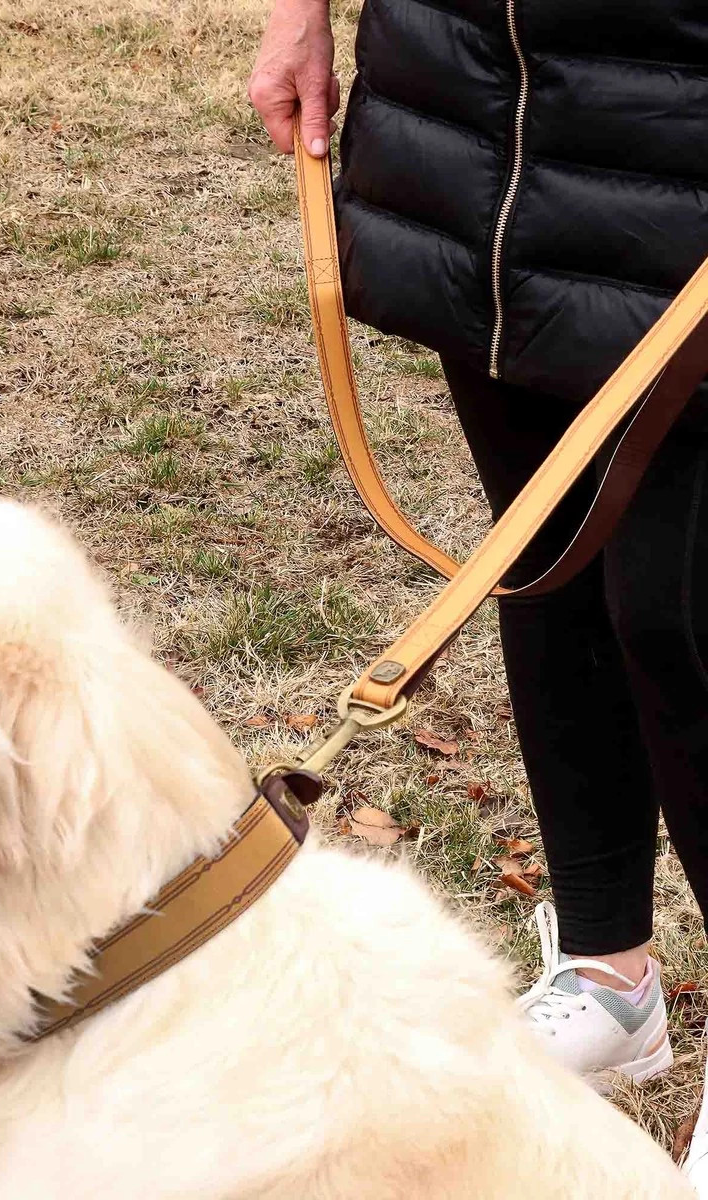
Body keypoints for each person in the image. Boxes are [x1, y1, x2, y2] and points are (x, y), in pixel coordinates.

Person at [250, 0, 708, 1184]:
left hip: (675, 119)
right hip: (468, 107)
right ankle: (610, 973)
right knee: (543, 571)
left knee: (682, 617)